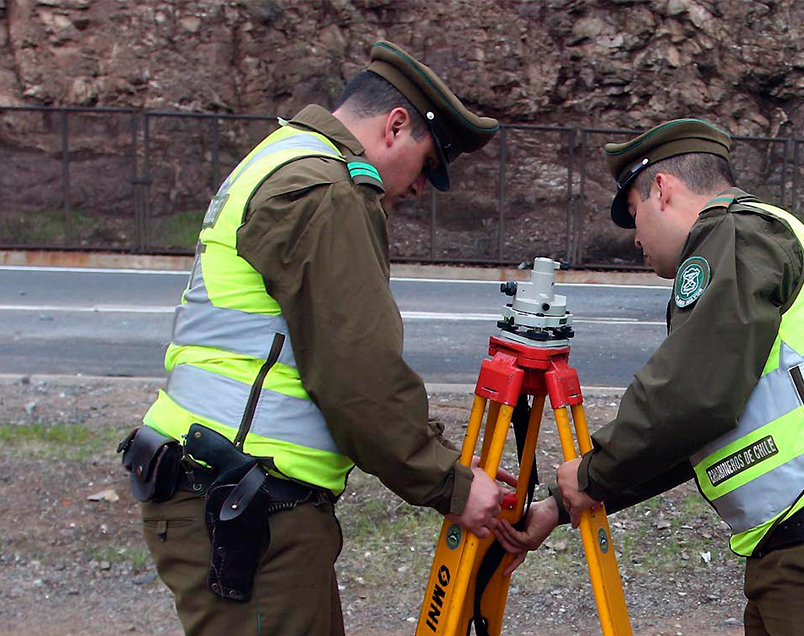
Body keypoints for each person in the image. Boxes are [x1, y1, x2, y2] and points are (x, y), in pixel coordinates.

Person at [494, 118, 804, 635]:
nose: (636, 238)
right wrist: (561, 503)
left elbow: (691, 395)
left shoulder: (733, 234)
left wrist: (594, 472)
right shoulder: (758, 235)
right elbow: (700, 425)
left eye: (635, 214)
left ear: (662, 190)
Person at [121, 41, 511, 635]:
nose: (420, 188)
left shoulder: (280, 157)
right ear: (395, 124)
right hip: (244, 498)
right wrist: (450, 483)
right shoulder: (327, 190)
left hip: (223, 487)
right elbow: (358, 374)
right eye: (428, 164)